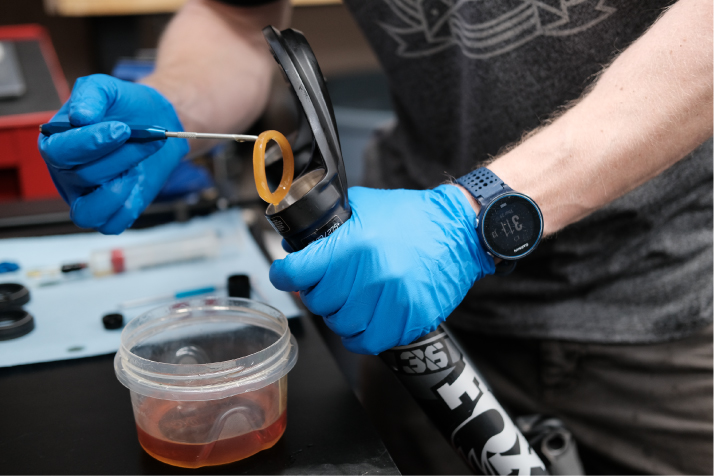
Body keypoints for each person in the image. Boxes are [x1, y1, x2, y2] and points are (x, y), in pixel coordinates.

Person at [38, 0, 712, 473]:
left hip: (664, 310)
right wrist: (176, 104)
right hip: (400, 305)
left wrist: (476, 214)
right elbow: (236, 15)